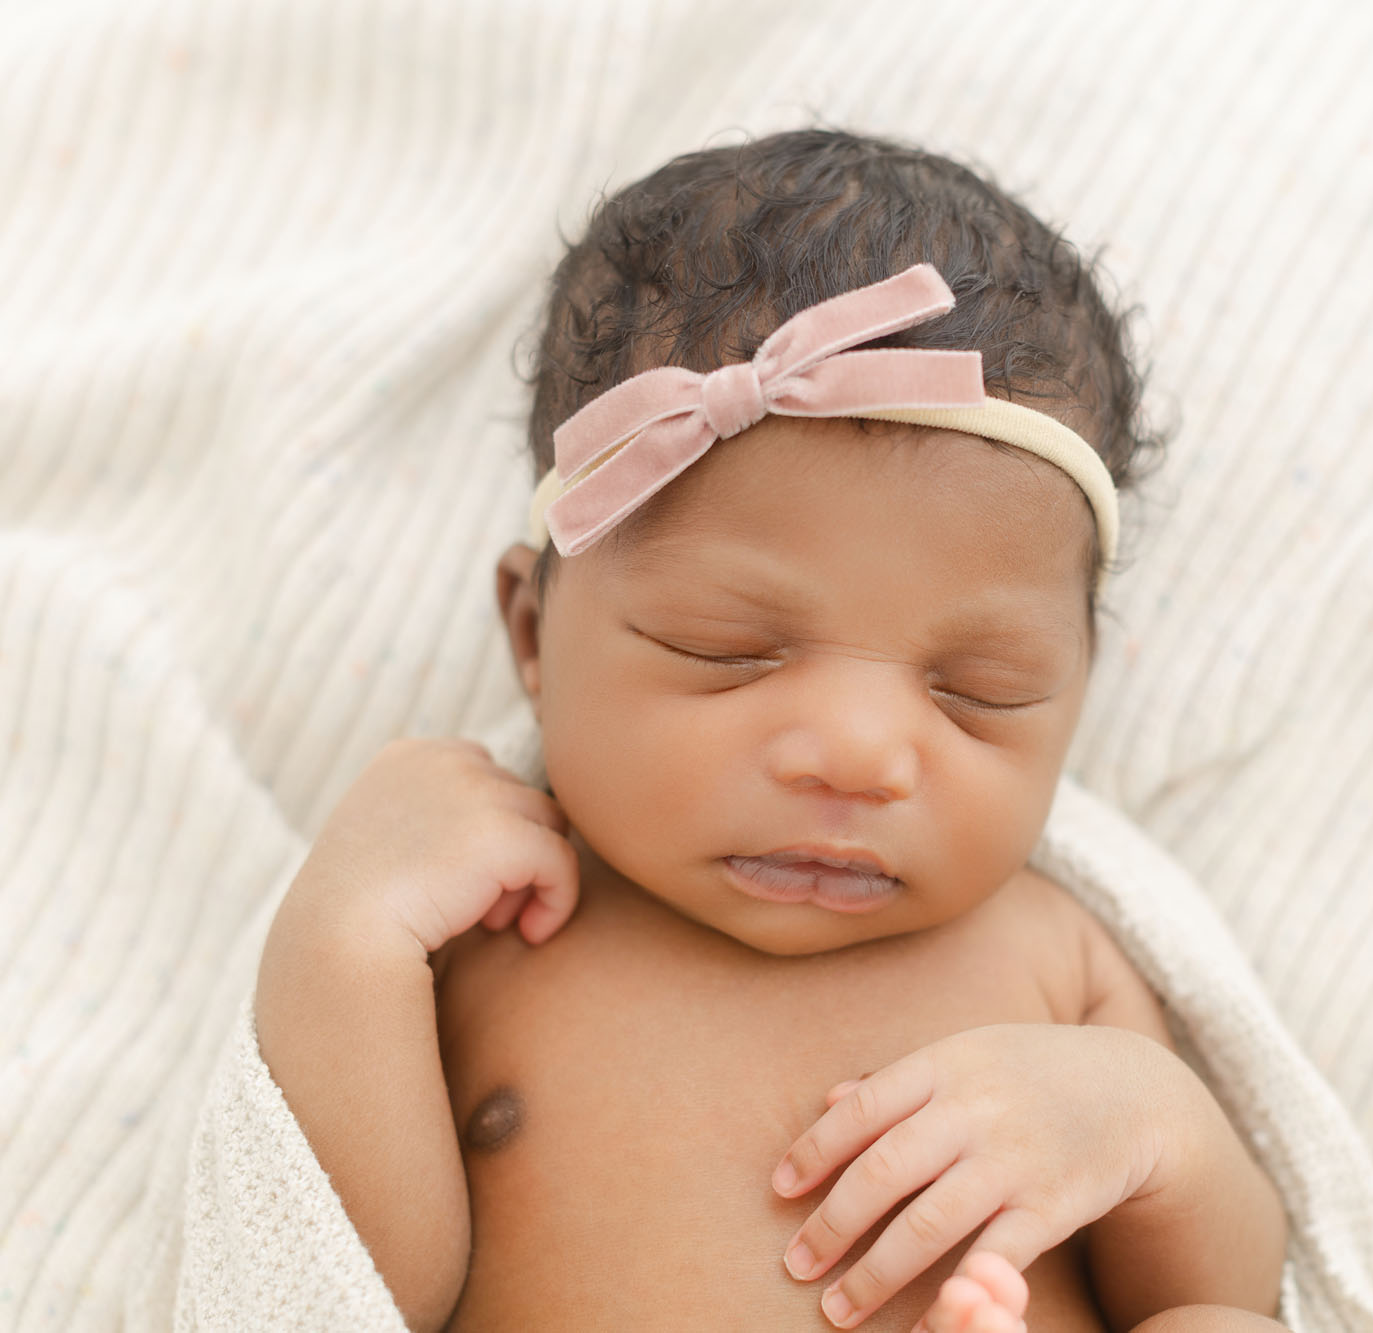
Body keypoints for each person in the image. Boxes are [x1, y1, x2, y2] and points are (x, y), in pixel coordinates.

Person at [253, 128, 1290, 1333]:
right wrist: (346, 943)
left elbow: (1229, 1285)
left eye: (981, 688)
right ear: (533, 635)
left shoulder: (1054, 959)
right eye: (724, 651)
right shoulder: (488, 938)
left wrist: (1148, 1129)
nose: (856, 755)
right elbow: (336, 1288)